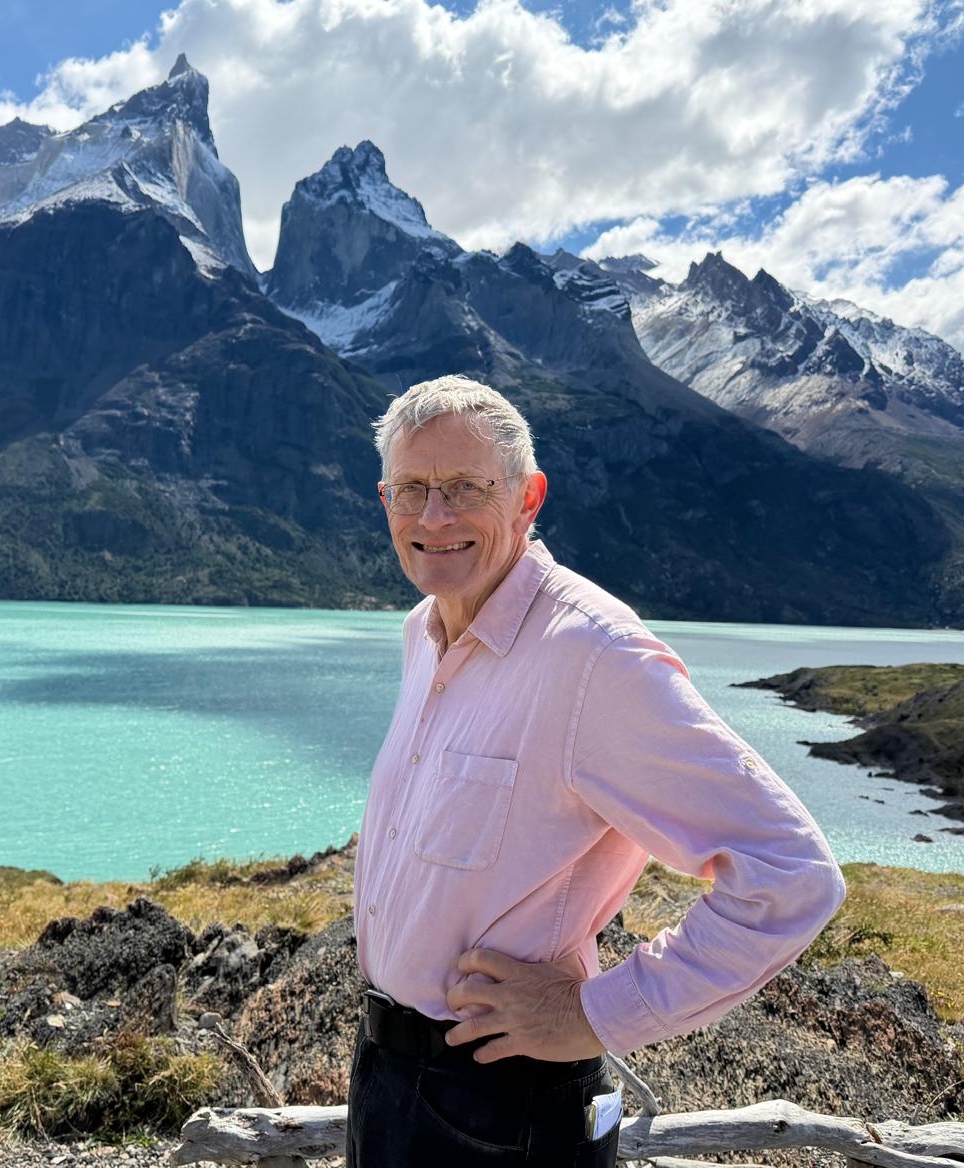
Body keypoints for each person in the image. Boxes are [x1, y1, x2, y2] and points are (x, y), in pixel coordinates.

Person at [345, 375, 847, 1166]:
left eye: (466, 487)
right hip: (388, 1077)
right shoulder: (423, 631)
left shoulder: (591, 654)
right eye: (411, 489)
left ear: (527, 497)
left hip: (502, 1107)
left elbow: (791, 875)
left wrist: (597, 1013)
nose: (432, 517)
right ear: (385, 502)